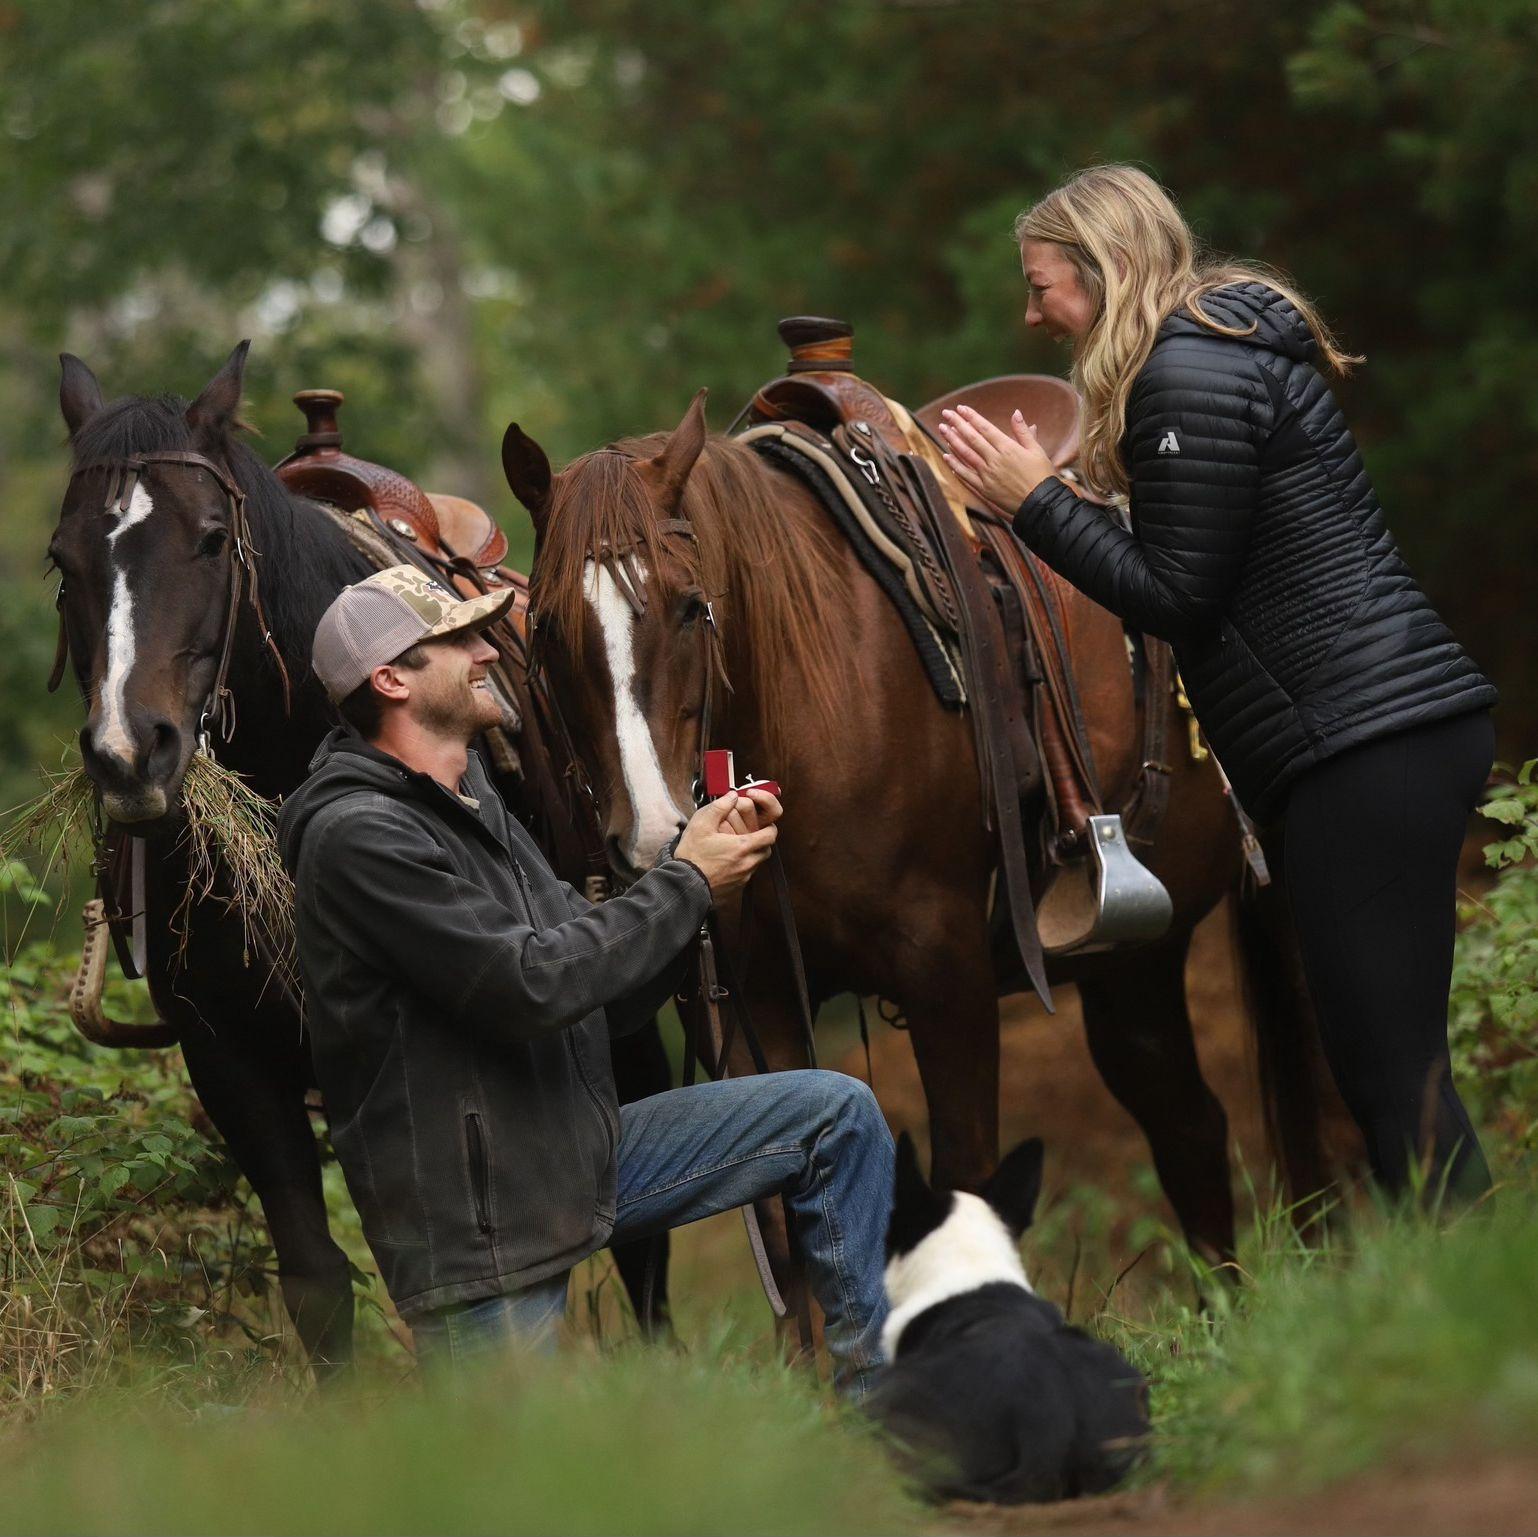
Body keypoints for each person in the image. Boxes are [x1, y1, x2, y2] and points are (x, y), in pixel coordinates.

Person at [937, 165, 1497, 1201]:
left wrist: (1032, 503)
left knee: (1389, 1080)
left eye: (1042, 286)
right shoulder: (1208, 356)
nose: (1031, 316)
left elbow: (1176, 596)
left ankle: (1472, 1274)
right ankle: (1465, 1270)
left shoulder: (1181, 375)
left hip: (1361, 745)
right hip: (1382, 738)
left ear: (1103, 269)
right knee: (1394, 1069)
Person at [276, 564, 893, 1390]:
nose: (486, 652)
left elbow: (599, 985)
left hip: (572, 1152)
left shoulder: (470, 797)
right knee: (516, 1470)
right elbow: (530, 985)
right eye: (457, 640)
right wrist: (688, 882)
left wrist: (702, 878)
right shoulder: (359, 837)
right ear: (392, 680)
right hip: (483, 1224)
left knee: (834, 1116)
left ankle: (883, 1414)